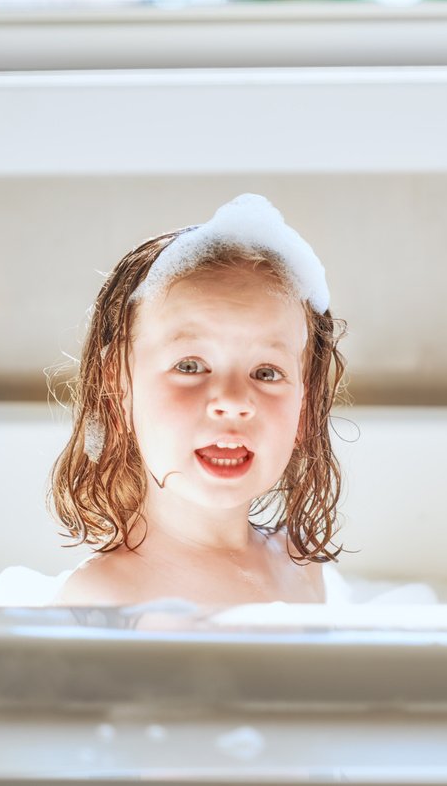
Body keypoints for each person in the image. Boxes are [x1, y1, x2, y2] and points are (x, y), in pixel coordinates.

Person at [50, 194, 345, 606]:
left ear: (304, 408)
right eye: (190, 366)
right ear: (118, 391)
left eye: (266, 373)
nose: (233, 401)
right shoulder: (105, 597)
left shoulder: (300, 568)